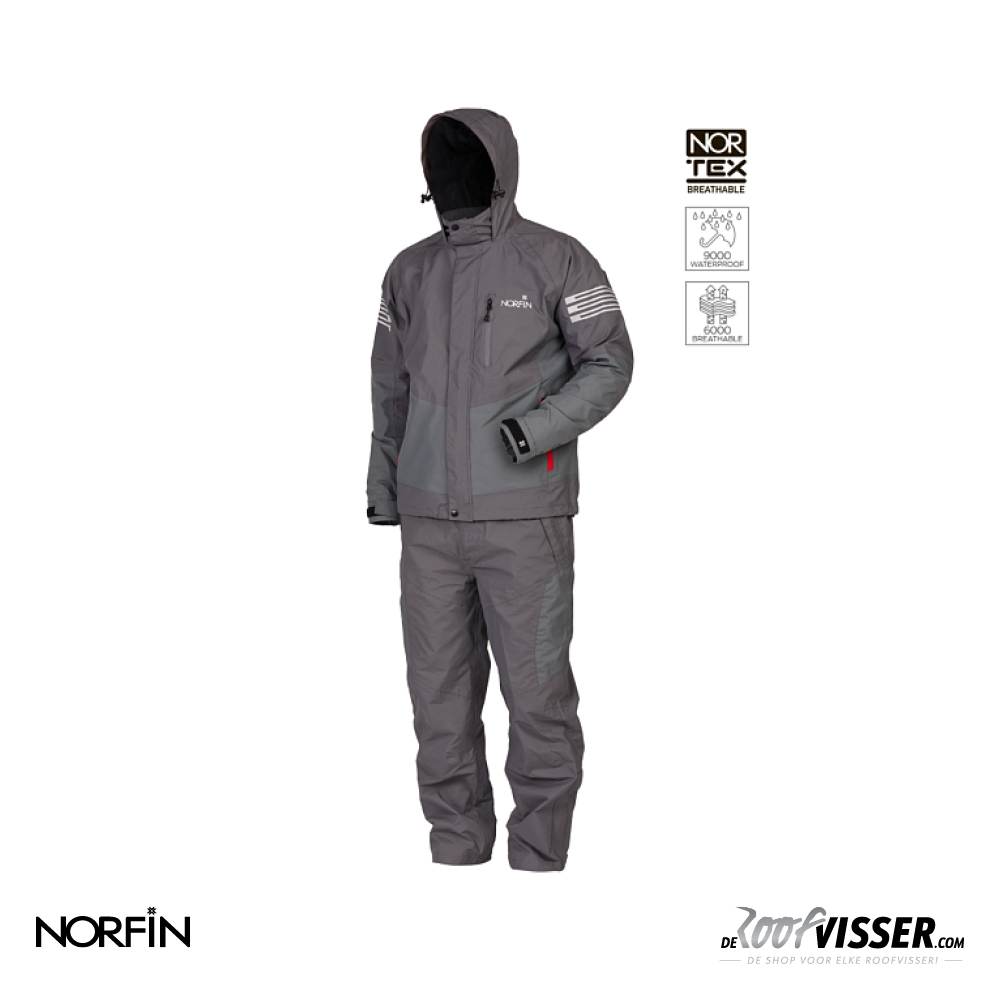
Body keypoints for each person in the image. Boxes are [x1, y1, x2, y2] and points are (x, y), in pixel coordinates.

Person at [367, 108, 633, 871]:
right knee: (437, 700)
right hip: (429, 523)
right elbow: (389, 386)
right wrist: (385, 484)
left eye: (467, 162)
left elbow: (611, 362)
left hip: (525, 519)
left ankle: (540, 857)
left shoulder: (557, 259)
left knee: (538, 696)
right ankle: (456, 850)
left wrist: (534, 431)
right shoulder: (408, 271)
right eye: (441, 164)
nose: (453, 178)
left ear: (500, 171)